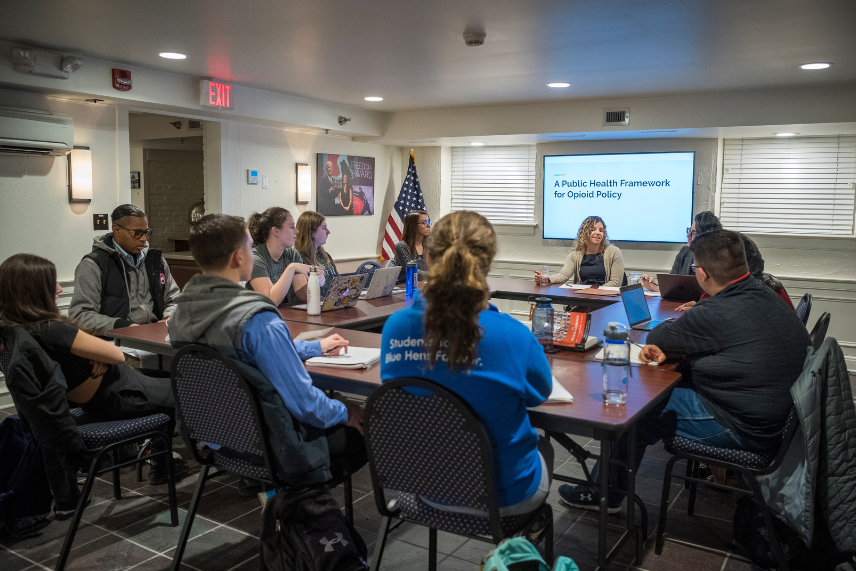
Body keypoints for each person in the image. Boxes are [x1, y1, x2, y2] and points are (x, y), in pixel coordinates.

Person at [558, 230, 812, 513]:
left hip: (745, 429)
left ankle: (604, 496)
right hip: (779, 421)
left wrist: (678, 341)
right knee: (664, 388)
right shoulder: (765, 295)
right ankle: (608, 489)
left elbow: (657, 338)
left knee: (637, 411)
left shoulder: (717, 310)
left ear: (702, 274)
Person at [168, 214, 367, 488]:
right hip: (270, 443)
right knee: (367, 426)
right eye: (250, 247)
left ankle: (275, 497)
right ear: (239, 257)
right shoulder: (258, 319)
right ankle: (300, 503)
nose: (253, 253)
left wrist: (313, 347)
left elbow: (243, 355)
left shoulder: (180, 313)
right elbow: (306, 404)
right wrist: (345, 410)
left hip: (213, 438)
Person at [381, 211, 554, 516]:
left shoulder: (395, 328)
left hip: (429, 490)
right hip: (505, 499)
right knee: (544, 446)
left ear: (430, 261)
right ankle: (518, 550)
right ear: (487, 264)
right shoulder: (513, 336)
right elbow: (540, 395)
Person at [0, 254, 177, 488]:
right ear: (34, 289)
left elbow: (91, 354)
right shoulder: (53, 329)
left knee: (167, 379)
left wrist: (93, 354)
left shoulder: (17, 330)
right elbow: (115, 354)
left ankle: (160, 461)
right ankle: (166, 463)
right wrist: (98, 353)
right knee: (187, 391)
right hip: (121, 396)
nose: (60, 288)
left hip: (98, 398)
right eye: (52, 282)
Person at [69, 204, 180, 336]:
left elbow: (175, 300)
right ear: (116, 230)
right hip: (115, 340)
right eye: (137, 233)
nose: (143, 239)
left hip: (155, 335)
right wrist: (122, 326)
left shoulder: (156, 261)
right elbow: (80, 315)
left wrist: (167, 321)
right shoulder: (93, 264)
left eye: (146, 232)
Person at [246, 207, 323, 305]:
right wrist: (291, 268)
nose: (297, 231)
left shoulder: (293, 255)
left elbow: (304, 295)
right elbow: (270, 301)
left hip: (285, 316)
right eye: (291, 227)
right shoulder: (255, 258)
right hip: (260, 316)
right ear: (275, 231)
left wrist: (316, 280)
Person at [641, 211, 722, 291]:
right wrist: (656, 288)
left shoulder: (719, 260)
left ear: (705, 236)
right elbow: (672, 285)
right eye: (689, 230)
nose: (687, 235)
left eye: (693, 233)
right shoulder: (684, 252)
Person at [535, 215, 625, 286]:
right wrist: (547, 279)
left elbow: (615, 283)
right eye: (593, 230)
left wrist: (595, 292)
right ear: (585, 233)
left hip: (606, 299)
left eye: (601, 230)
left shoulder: (614, 252)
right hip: (583, 297)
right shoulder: (574, 255)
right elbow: (563, 275)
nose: (598, 233)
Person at [295, 211, 339, 298]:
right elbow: (304, 297)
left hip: (332, 306)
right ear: (310, 233)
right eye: (324, 228)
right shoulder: (297, 259)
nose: (328, 232)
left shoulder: (325, 255)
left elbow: (339, 284)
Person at [393, 210, 430, 282]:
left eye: (428, 221)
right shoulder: (401, 246)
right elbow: (413, 272)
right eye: (423, 223)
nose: (428, 225)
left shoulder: (429, 245)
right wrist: (436, 275)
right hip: (406, 288)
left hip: (424, 285)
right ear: (413, 226)